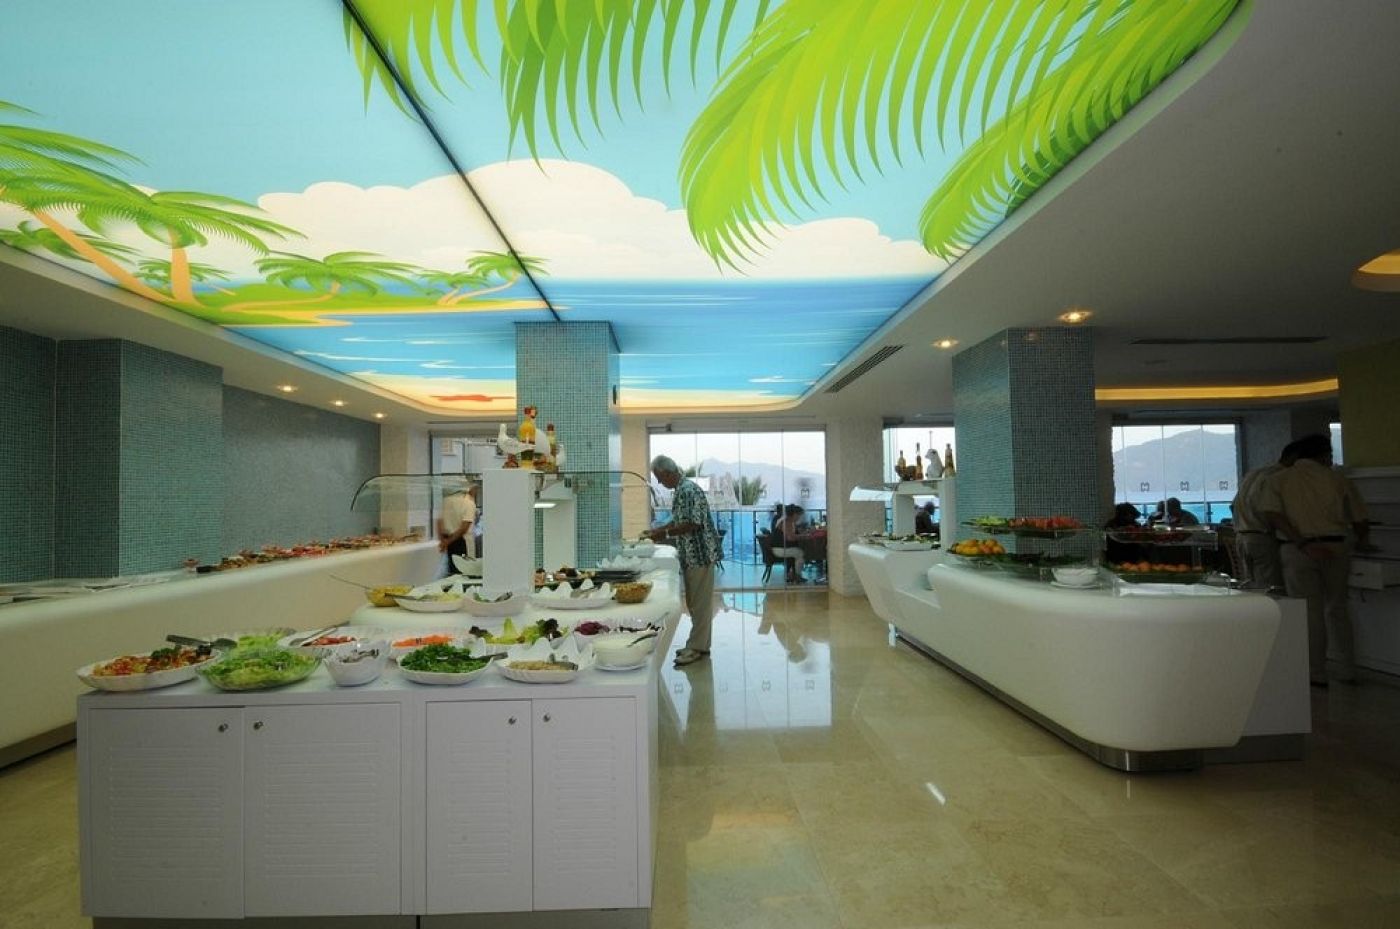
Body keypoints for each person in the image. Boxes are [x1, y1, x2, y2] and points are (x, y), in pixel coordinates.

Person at [1257, 433, 1371, 686]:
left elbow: (1272, 515)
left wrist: (1303, 543)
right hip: (1337, 546)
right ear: (1324, 454)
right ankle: (1347, 669)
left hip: (1297, 549)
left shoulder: (1279, 479)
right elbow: (1360, 519)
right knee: (1338, 608)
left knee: (1310, 611)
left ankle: (1316, 672)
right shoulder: (1338, 479)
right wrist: (1362, 540)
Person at [643, 455, 723, 667]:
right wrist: (658, 530)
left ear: (668, 473)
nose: (660, 482)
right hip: (692, 554)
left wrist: (664, 533)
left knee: (700, 604)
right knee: (695, 603)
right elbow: (680, 520)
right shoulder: (682, 490)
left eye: (660, 478)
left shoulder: (687, 490)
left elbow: (693, 523)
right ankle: (700, 645)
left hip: (700, 554)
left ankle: (697, 648)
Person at [1231, 442, 1299, 590]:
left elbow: (1232, 505)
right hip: (1263, 537)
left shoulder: (1253, 474)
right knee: (1270, 590)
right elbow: (1272, 512)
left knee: (1251, 588)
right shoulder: (1281, 477)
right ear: (1294, 458)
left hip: (1242, 537)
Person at [437, 483, 478, 567]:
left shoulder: (444, 501)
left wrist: (443, 541)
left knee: (451, 567)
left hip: (447, 540)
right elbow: (464, 528)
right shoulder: (468, 503)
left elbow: (439, 522)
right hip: (462, 543)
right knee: (464, 567)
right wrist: (448, 542)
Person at [771, 503, 810, 583]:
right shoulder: (786, 522)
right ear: (794, 514)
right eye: (799, 515)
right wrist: (804, 536)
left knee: (799, 551)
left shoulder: (789, 522)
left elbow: (792, 535)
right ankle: (797, 576)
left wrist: (801, 535)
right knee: (800, 553)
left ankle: (793, 574)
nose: (799, 518)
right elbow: (790, 538)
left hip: (781, 548)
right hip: (780, 549)